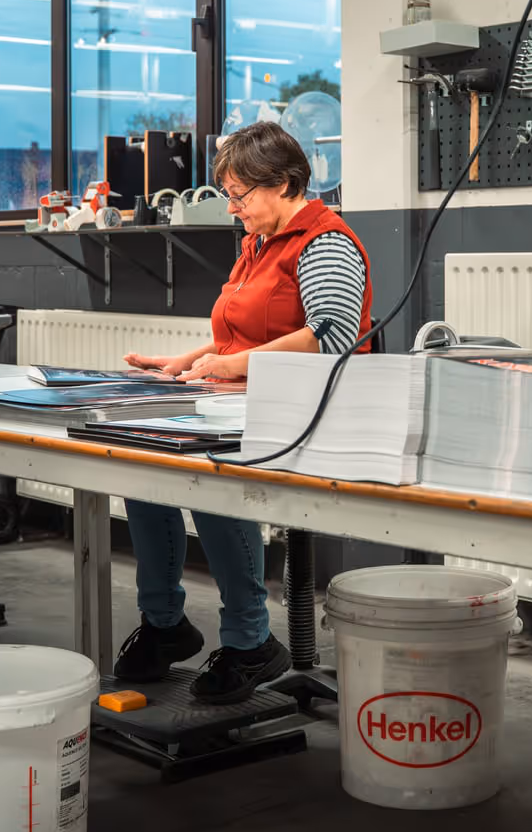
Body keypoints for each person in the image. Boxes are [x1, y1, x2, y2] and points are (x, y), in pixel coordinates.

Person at [116, 122, 374, 703]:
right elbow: (234, 336)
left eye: (241, 196)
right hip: (245, 404)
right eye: (229, 196)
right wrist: (182, 361)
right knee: (142, 461)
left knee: (211, 477)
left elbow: (328, 337)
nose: (234, 210)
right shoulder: (258, 243)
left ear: (284, 183)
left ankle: (249, 640)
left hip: (308, 414)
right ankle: (164, 625)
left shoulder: (323, 241)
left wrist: (235, 368)